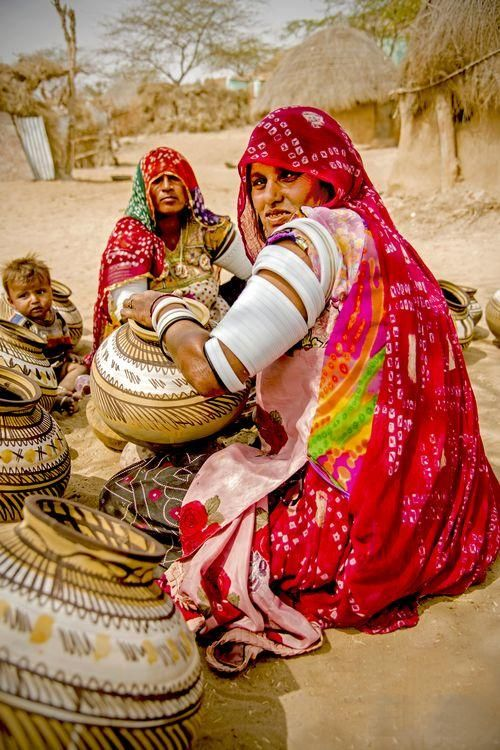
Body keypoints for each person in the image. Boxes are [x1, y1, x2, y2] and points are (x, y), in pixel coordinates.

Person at [108, 106, 500, 673]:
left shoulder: (306, 245)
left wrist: (162, 307)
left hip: (349, 521)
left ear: (327, 175)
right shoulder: (378, 238)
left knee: (135, 489)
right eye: (258, 182)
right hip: (437, 510)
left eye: (287, 176)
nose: (269, 197)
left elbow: (210, 372)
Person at [86, 146, 251, 365]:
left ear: (187, 186)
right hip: (150, 341)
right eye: (156, 181)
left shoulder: (207, 228)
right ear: (144, 191)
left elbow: (252, 270)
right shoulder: (129, 236)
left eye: (174, 179)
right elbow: (128, 308)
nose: (166, 188)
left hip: (212, 329)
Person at [2, 254, 88, 413]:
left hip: (57, 368)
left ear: (51, 291)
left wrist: (68, 354)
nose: (34, 299)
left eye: (41, 291)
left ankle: (60, 392)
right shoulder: (18, 326)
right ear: (11, 302)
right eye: (23, 295)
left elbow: (64, 337)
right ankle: (54, 398)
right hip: (34, 375)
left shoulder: (56, 317)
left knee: (79, 368)